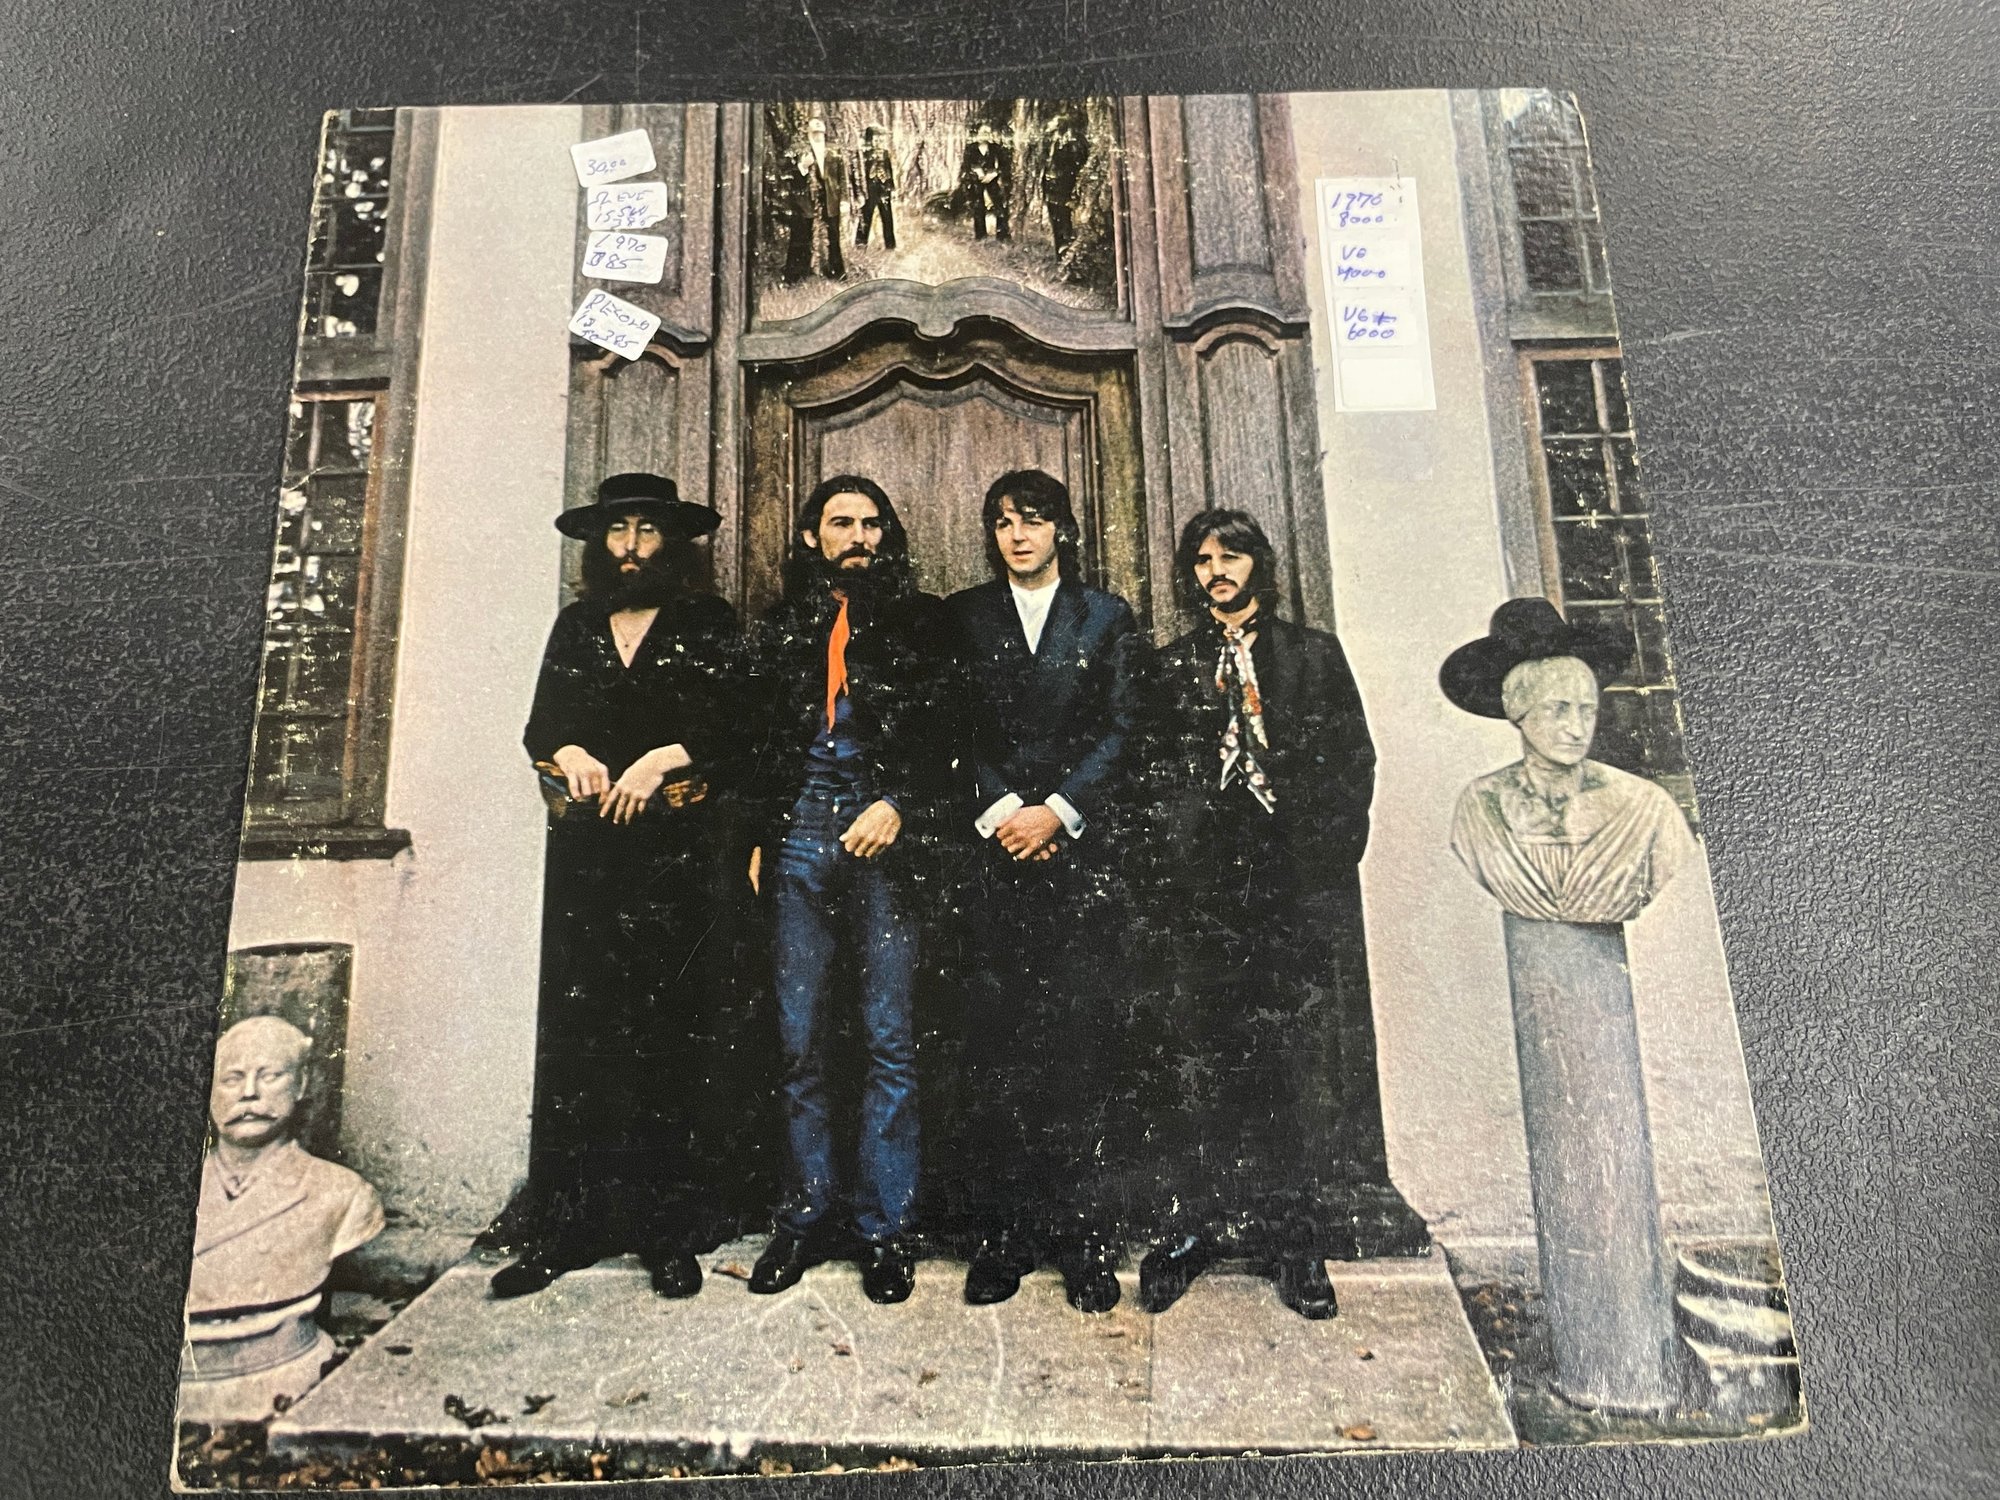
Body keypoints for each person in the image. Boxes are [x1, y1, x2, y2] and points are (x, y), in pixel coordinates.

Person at [1136, 509, 1426, 1320]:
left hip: (1290, 880)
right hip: (1206, 885)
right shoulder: (1175, 666)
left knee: (1295, 1058)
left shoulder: (1311, 656)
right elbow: (1150, 773)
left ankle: (1295, 1242)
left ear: (1258, 565)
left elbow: (1354, 761)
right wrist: (1174, 857)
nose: (1217, 571)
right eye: (1203, 560)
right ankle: (1198, 1228)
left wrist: (1322, 863)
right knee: (1204, 1054)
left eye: (1231, 556)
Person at [501, 472, 745, 1301]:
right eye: (618, 531)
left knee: (670, 1037)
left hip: (677, 862)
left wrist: (660, 760)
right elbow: (543, 725)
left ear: (672, 542)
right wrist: (570, 753)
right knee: (583, 1037)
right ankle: (568, 1230)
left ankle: (668, 1235)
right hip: (588, 864)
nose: (633, 547)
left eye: (647, 531)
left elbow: (734, 725)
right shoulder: (576, 627)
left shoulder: (708, 624)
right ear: (599, 544)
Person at [742, 475, 958, 1305]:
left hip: (883, 839)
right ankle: (803, 1218)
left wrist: (899, 803)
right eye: (841, 523)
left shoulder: (921, 621)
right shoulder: (780, 627)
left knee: (888, 1039)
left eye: (872, 524)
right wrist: (759, 835)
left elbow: (950, 733)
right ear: (812, 537)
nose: (859, 537)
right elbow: (755, 739)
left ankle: (885, 1230)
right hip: (799, 832)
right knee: (798, 1040)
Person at [946, 469, 1145, 1314]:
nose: (1017, 536)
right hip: (994, 857)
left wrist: (1057, 812)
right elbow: (948, 730)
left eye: (1032, 520)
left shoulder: (1105, 617)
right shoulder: (964, 617)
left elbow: (1126, 728)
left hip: (1078, 861)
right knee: (996, 1047)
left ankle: (1083, 1238)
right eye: (1002, 523)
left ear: (1062, 529)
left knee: (1079, 1048)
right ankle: (1005, 1235)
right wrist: (1004, 813)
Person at [1443, 597, 1696, 922]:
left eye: (1587, 711)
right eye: (1558, 709)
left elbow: (1684, 896)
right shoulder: (1480, 804)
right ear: (1518, 710)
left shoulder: (1646, 806)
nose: (1577, 729)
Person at [181, 1017, 384, 1422]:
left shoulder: (341, 1193)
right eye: (231, 1079)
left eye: (270, 1076)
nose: (249, 1093)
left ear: (301, 1084)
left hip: (285, 1372)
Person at [782, 116, 847, 281]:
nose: (818, 124)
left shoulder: (834, 150)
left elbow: (842, 177)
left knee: (833, 236)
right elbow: (785, 173)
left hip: (830, 200)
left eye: (820, 122)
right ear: (807, 129)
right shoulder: (798, 149)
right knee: (801, 236)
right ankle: (796, 276)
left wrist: (844, 199)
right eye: (813, 122)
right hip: (805, 201)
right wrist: (802, 166)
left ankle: (836, 273)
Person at [1040, 111, 1088, 257]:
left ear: (1060, 126)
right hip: (1051, 188)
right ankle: (1059, 256)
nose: (1049, 124)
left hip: (1064, 189)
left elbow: (1075, 167)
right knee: (1056, 222)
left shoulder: (1073, 143)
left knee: (1065, 222)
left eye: (1053, 123)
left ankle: (1066, 256)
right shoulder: (1050, 141)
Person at [957, 122, 1012, 242]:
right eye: (982, 132)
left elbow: (1005, 165)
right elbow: (966, 166)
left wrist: (994, 173)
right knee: (978, 207)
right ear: (977, 134)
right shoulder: (971, 148)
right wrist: (976, 171)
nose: (985, 135)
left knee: (1000, 205)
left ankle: (1002, 236)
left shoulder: (996, 148)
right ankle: (980, 237)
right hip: (975, 181)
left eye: (987, 133)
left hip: (992, 180)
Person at [854, 122, 897, 250]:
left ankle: (890, 244)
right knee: (866, 215)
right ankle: (861, 243)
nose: (878, 140)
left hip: (884, 189)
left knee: (887, 217)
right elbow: (859, 173)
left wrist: (891, 187)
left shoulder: (885, 153)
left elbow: (889, 170)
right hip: (869, 189)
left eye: (880, 137)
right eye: (875, 137)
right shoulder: (862, 154)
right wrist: (859, 191)